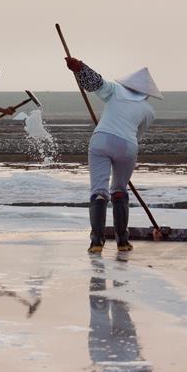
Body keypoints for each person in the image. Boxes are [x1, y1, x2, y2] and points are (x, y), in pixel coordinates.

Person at [65, 57, 161, 253]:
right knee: (119, 190)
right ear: (146, 93)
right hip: (127, 146)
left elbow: (96, 83)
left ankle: (96, 242)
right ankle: (122, 242)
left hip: (101, 140)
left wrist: (81, 69)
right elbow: (137, 135)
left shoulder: (115, 91)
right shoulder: (149, 111)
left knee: (99, 192)